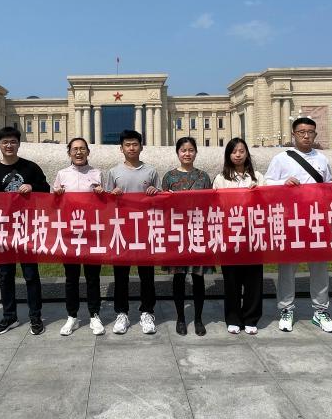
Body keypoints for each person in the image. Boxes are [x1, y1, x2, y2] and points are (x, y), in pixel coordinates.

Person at [264, 116, 332, 333]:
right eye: (301, 132)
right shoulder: (281, 158)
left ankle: (321, 310)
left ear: (315, 134)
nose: (306, 136)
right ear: (293, 134)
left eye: (310, 132)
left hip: (317, 219)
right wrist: (283, 182)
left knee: (320, 267)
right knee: (287, 267)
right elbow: (267, 183)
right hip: (291, 220)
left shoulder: (322, 158)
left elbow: (328, 186)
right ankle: (286, 309)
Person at [0, 126, 49, 336]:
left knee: (31, 275)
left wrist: (32, 187)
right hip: (3, 230)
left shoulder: (31, 168)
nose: (9, 145)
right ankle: (9, 316)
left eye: (13, 142)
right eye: (5, 142)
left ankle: (35, 316)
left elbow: (46, 189)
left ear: (19, 144)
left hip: (27, 228)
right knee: (5, 275)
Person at [104, 129, 159, 334]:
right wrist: (112, 194)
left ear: (141, 147)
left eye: (135, 144)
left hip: (145, 229)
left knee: (147, 275)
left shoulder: (151, 171)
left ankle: (147, 312)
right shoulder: (113, 172)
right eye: (127, 145)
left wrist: (155, 192)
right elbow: (106, 203)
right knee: (121, 275)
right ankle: (122, 313)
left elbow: (160, 201)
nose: (131, 148)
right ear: (121, 149)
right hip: (122, 229)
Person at [52, 137, 106, 336]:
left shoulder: (97, 173)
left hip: (92, 232)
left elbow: (106, 204)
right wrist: (56, 194)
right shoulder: (62, 174)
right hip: (70, 233)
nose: (79, 152)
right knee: (71, 277)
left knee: (93, 276)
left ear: (88, 152)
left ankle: (94, 315)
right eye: (75, 149)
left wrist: (102, 193)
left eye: (82, 149)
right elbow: (53, 204)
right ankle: (72, 316)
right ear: (69, 153)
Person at [161, 137, 213, 336]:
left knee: (198, 278)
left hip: (198, 231)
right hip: (177, 232)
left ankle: (198, 318)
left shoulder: (203, 176)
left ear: (196, 152)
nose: (187, 153)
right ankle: (181, 318)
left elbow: (209, 204)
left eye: (191, 150)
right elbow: (163, 206)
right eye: (183, 150)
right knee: (179, 277)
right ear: (177, 153)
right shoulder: (169, 177)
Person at [213, 137, 263, 335]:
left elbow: (269, 201)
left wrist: (258, 193)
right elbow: (215, 205)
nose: (238, 155)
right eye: (234, 151)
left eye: (242, 151)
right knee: (231, 280)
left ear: (247, 154)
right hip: (230, 234)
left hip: (253, 234)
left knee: (253, 279)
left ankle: (251, 318)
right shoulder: (221, 179)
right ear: (228, 155)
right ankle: (233, 318)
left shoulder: (257, 177)